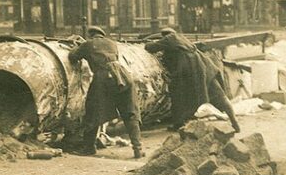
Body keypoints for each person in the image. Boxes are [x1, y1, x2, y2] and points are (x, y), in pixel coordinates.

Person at [145, 27, 240, 132]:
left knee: (178, 95)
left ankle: (179, 123)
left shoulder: (169, 39)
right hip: (205, 67)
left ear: (165, 35)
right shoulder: (183, 39)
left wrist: (152, 42)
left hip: (191, 70)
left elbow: (150, 47)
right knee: (220, 96)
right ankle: (234, 121)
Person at [68, 26, 144, 158]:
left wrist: (78, 46)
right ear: (102, 35)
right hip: (123, 76)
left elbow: (73, 56)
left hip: (103, 78)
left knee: (93, 111)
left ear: (91, 35)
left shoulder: (88, 44)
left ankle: (89, 148)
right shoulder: (112, 43)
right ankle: (138, 148)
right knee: (130, 113)